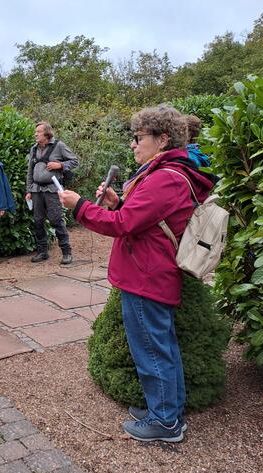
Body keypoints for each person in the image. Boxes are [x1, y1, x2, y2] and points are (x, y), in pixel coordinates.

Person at [59, 106, 216, 443]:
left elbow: (123, 225)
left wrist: (80, 206)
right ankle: (166, 410)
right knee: (161, 347)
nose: (133, 144)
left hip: (146, 277)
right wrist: (117, 201)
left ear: (162, 139)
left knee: (152, 350)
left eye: (138, 137)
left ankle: (165, 423)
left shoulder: (165, 177)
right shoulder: (169, 173)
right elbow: (138, 218)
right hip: (151, 272)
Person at [25, 122, 79, 265]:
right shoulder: (34, 149)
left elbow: (75, 161)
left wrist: (60, 165)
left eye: (38, 131)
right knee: (38, 221)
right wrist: (29, 190)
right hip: (36, 190)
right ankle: (42, 252)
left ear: (47, 133)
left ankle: (66, 252)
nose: (35, 134)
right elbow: (30, 171)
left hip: (52, 190)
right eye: (35, 132)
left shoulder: (59, 146)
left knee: (56, 220)